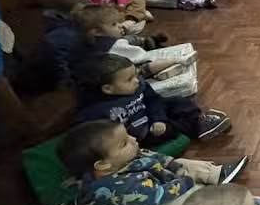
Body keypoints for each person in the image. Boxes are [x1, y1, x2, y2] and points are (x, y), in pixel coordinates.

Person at [58, 120, 248, 205]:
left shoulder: (120, 159)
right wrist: (187, 182)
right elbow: (159, 195)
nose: (134, 139)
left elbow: (156, 158)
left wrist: (175, 167)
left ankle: (218, 174)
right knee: (192, 197)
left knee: (182, 163)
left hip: (150, 184)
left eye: (128, 135)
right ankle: (211, 193)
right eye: (124, 143)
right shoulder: (122, 189)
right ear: (102, 165)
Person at [76, 53, 232, 145]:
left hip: (151, 116)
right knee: (171, 128)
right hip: (143, 135)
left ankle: (199, 120)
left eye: (136, 75)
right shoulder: (95, 111)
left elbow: (154, 100)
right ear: (108, 89)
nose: (136, 81)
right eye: (129, 79)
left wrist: (158, 119)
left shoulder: (138, 85)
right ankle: (197, 126)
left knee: (178, 101)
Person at [71, 4, 188, 81]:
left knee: (129, 39)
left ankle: (149, 42)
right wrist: (149, 58)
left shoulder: (84, 43)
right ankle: (176, 61)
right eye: (114, 24)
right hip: (121, 75)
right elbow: (139, 57)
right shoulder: (113, 46)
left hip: (102, 74)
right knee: (145, 66)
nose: (119, 26)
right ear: (97, 32)